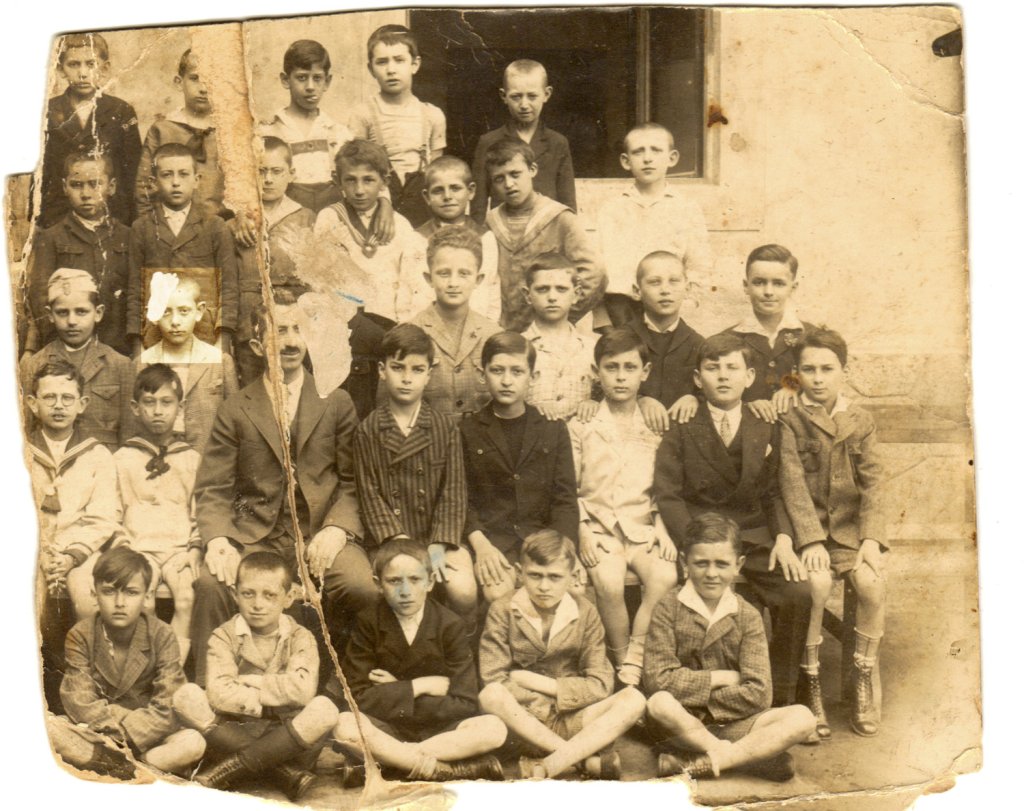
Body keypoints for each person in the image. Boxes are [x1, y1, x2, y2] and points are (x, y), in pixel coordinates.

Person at [189, 290, 372, 685]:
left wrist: (336, 529)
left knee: (361, 587)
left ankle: (351, 694)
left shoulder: (336, 400)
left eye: (297, 330)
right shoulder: (236, 408)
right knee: (210, 584)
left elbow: (353, 482)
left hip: (319, 534)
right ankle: (212, 696)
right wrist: (218, 540)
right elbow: (213, 487)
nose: (289, 341)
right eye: (278, 331)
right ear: (257, 344)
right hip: (255, 538)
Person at [653, 333, 830, 705]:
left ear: (749, 377)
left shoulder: (764, 422)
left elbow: (774, 491)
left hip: (755, 536)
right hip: (702, 537)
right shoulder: (683, 423)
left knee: (799, 591)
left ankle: (781, 696)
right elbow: (668, 494)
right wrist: (691, 543)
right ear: (698, 379)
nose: (723, 376)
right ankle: (710, 698)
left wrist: (783, 538)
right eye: (712, 368)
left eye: (732, 368)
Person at [644, 513, 816, 780]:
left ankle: (704, 761)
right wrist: (721, 678)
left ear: (739, 565)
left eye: (722, 564)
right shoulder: (668, 608)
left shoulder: (747, 616)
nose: (711, 573)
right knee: (659, 703)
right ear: (684, 563)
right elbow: (658, 681)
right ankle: (748, 758)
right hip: (683, 722)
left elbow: (759, 694)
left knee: (803, 717)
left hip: (736, 724)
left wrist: (696, 692)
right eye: (701, 563)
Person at [778, 328, 887, 738]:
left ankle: (861, 679)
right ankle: (811, 684)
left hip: (852, 536)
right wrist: (809, 540)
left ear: (844, 371)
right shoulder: (790, 420)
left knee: (872, 585)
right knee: (817, 586)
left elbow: (874, 482)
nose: (818, 378)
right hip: (815, 536)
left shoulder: (860, 420)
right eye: (809, 370)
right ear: (796, 375)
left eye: (828, 369)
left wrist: (871, 539)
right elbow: (790, 482)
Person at [333, 539, 507, 783]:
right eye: (394, 581)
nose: (405, 591)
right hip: (388, 728)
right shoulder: (368, 622)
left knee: (493, 728)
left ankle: (394, 763)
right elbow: (357, 697)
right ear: (378, 584)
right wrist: (419, 686)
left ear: (430, 582)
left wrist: (395, 690)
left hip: (440, 732)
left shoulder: (450, 624)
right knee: (344, 724)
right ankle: (444, 770)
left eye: (414, 580)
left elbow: (465, 702)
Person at [478, 529, 646, 780]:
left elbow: (601, 684)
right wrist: (540, 706)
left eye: (554, 577)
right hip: (523, 723)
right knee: (490, 695)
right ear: (519, 572)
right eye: (535, 576)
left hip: (574, 719)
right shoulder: (502, 609)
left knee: (633, 698)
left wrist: (539, 683)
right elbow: (493, 677)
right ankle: (577, 759)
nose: (544, 586)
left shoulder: (585, 611)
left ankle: (549, 764)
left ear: (572, 576)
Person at [173, 552, 340, 800]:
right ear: (234, 595)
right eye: (248, 594)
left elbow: (303, 692)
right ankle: (283, 772)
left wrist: (254, 682)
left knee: (325, 708)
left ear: (289, 597)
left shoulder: (300, 636)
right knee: (185, 696)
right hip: (237, 733)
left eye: (270, 595)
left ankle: (231, 769)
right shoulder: (223, 636)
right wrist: (272, 702)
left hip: (287, 738)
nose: (258, 604)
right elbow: (219, 694)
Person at [235, 137, 387, 407]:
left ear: (291, 175)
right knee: (254, 396)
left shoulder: (306, 218)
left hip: (296, 322)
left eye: (276, 171)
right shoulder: (238, 223)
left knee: (297, 395)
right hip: (249, 324)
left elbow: (320, 279)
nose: (268, 179)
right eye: (260, 171)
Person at [569, 329, 678, 685]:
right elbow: (567, 487)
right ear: (596, 372)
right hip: (599, 529)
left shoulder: (655, 424)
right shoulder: (581, 424)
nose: (620, 376)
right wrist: (583, 531)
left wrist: (662, 530)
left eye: (629, 368)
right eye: (611, 367)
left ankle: (637, 657)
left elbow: (665, 486)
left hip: (642, 526)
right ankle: (622, 667)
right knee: (608, 580)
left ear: (644, 372)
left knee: (665, 575)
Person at [354, 323, 477, 627]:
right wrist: (399, 542)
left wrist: (439, 543)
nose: (407, 378)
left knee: (463, 591)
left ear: (429, 374)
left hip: (437, 537)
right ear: (382, 370)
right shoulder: (368, 429)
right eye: (398, 368)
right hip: (393, 538)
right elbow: (370, 495)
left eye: (417, 369)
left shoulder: (444, 427)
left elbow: (454, 492)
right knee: (390, 589)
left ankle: (463, 651)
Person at [48, 547, 206, 779]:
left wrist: (128, 732)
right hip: (100, 734)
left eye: (131, 593)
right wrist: (116, 728)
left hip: (150, 737)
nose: (120, 602)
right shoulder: (80, 635)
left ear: (146, 596)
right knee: (51, 729)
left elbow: (167, 704)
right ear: (94, 593)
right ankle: (142, 771)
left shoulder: (162, 634)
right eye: (110, 592)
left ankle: (121, 768)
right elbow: (79, 700)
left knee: (193, 743)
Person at [27, 360, 125, 710]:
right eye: (49, 397)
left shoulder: (97, 454)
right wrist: (39, 554)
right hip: (31, 551)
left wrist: (70, 556)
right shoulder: (20, 451)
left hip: (80, 551)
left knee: (86, 594)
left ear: (82, 404)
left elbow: (104, 515)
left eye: (67, 398)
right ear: (31, 403)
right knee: (29, 598)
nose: (58, 405)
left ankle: (86, 683)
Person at [461, 331, 578, 603]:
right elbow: (462, 499)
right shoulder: (467, 430)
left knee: (572, 591)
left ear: (532, 377)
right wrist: (482, 547)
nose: (506, 381)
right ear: (483, 375)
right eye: (497, 371)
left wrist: (564, 551)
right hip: (495, 542)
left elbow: (565, 498)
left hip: (542, 541)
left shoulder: (553, 429)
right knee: (498, 593)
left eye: (517, 371)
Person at [114, 364, 202, 663]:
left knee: (187, 597)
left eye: (166, 403)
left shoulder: (191, 458)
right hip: (140, 550)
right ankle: (147, 668)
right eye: (149, 403)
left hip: (179, 551)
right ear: (135, 408)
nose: (158, 411)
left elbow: (198, 511)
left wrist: (194, 548)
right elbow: (114, 513)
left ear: (181, 406)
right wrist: (126, 549)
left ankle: (171, 670)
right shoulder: (122, 459)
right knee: (145, 601)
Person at [127, 142, 239, 361]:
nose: (176, 182)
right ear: (153, 182)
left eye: (184, 174)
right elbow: (135, 290)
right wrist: (137, 342)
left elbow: (228, 287)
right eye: (167, 175)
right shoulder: (142, 228)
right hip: (156, 334)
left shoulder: (215, 227)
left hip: (204, 333)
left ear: (197, 180)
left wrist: (223, 339)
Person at [594, 123, 711, 327]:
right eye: (638, 152)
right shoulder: (612, 210)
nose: (647, 158)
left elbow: (699, 265)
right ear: (626, 161)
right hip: (621, 310)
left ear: (672, 158)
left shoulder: (686, 208)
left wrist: (688, 306)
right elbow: (598, 269)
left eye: (656, 150)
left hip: (669, 307)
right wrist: (602, 320)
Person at [483, 139, 604, 332]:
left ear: (532, 170)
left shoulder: (560, 218)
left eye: (515, 174)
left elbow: (594, 273)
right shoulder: (490, 221)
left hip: (550, 330)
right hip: (504, 331)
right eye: (499, 178)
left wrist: (561, 315)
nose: (509, 184)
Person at [26, 151, 131, 355]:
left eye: (95, 184)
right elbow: (40, 296)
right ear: (65, 187)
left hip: (118, 348)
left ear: (112, 186)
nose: (85, 194)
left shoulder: (127, 235)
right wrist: (57, 342)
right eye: (76, 185)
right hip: (67, 347)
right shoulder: (52, 237)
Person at [314, 139, 428, 324]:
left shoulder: (400, 225)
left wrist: (404, 325)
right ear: (337, 181)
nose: (359, 190)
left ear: (385, 181)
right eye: (350, 180)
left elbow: (412, 282)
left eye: (368, 180)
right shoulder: (328, 219)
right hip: (345, 321)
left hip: (390, 321)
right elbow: (323, 280)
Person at [20, 269, 134, 450]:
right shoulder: (35, 364)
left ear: (98, 313)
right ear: (50, 314)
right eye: (62, 313)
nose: (71, 321)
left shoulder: (120, 365)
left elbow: (130, 434)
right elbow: (25, 432)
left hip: (106, 467)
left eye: (81, 312)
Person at [38, 33, 141, 229]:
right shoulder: (48, 111)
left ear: (105, 68)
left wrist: (132, 221)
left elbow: (132, 172)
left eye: (91, 64)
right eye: (74, 64)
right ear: (61, 69)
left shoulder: (121, 111)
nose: (83, 73)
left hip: (111, 215)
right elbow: (41, 174)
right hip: (59, 216)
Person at [348, 24, 445, 227]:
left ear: (415, 64)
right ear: (370, 69)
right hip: (377, 208)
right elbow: (358, 169)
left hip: (421, 209)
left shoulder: (432, 115)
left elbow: (436, 175)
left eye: (399, 60)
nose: (391, 69)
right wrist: (382, 201)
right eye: (382, 62)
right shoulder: (363, 114)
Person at [138, 275, 237, 453]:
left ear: (199, 311)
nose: (175, 321)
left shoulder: (220, 361)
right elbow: (134, 426)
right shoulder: (144, 362)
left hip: (207, 464)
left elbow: (234, 424)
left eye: (184, 311)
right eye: (166, 312)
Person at [411, 226, 501, 417]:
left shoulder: (494, 335)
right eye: (444, 273)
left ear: (478, 279)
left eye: (464, 274)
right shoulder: (410, 333)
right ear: (429, 278)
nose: (453, 283)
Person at [471, 59, 575, 221]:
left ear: (546, 94)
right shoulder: (488, 142)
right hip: (504, 230)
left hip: (547, 230)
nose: (524, 104)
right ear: (503, 96)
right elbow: (478, 205)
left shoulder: (557, 143)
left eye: (532, 96)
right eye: (516, 97)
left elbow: (568, 203)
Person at [722, 244, 815, 419]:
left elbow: (824, 381)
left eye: (779, 283)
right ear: (746, 286)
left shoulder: (811, 336)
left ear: (793, 288)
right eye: (759, 282)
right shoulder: (727, 340)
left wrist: (794, 385)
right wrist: (746, 405)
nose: (768, 292)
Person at [258, 39, 350, 213]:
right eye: (301, 78)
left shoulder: (338, 132)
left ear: (327, 82)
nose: (310, 87)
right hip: (284, 216)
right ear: (286, 80)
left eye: (317, 79)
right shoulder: (267, 130)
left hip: (329, 216)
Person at [135, 49, 224, 217]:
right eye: (195, 79)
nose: (204, 88)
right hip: (170, 227)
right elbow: (144, 187)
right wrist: (149, 228)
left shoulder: (229, 132)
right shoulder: (162, 129)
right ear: (179, 82)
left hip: (219, 227)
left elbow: (243, 187)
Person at [415, 156, 500, 322]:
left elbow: (490, 290)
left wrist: (487, 331)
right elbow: (411, 291)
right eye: (438, 190)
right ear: (426, 196)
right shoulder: (417, 238)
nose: (447, 196)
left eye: (455, 188)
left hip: (475, 327)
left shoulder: (485, 238)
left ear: (471, 191)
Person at [625, 251, 704, 421]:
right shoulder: (622, 339)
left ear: (687, 289)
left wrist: (695, 398)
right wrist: (638, 400)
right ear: (637, 291)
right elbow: (603, 388)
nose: (665, 290)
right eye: (654, 282)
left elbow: (713, 391)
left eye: (674, 281)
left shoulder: (698, 343)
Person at [520, 255, 598, 420]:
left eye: (561, 289)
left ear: (576, 294)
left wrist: (594, 402)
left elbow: (606, 394)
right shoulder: (517, 347)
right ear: (528, 295)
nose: (552, 297)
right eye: (543, 289)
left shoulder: (592, 347)